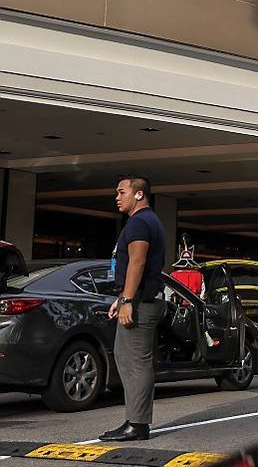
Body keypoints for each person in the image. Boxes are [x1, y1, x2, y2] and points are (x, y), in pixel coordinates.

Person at [100, 176, 166, 442]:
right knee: (126, 358)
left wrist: (127, 300)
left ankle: (137, 425)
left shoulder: (140, 222)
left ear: (139, 194)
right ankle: (134, 420)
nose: (117, 197)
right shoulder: (146, 221)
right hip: (139, 299)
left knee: (136, 362)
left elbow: (137, 263)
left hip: (141, 303)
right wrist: (122, 297)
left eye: (121, 192)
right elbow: (133, 267)